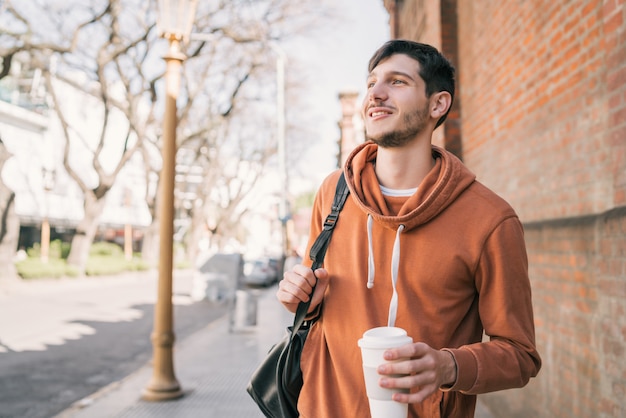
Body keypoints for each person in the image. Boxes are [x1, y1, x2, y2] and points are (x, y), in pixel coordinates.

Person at [277, 39, 541, 418]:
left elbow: (520, 355)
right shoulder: (333, 192)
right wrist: (301, 297)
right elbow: (311, 298)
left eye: (397, 82)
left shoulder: (490, 220)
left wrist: (448, 366)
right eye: (371, 83)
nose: (376, 94)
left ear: (438, 104)